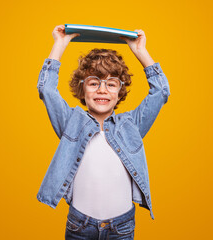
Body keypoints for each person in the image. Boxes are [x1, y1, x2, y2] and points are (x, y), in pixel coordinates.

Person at [36, 24, 170, 240]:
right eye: (93, 83)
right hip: (80, 226)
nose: (102, 89)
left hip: (122, 227)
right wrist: (59, 45)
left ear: (120, 91)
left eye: (111, 84)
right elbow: (47, 89)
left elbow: (161, 92)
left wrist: (140, 51)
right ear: (82, 89)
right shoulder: (70, 122)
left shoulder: (131, 125)